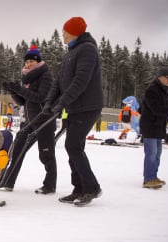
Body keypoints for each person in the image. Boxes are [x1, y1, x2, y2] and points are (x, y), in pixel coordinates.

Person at [42, 16, 103, 206]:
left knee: (73, 145)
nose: (63, 35)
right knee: (74, 147)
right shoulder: (71, 52)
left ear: (74, 32)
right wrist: (49, 103)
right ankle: (79, 189)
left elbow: (80, 82)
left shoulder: (87, 50)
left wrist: (62, 102)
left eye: (65, 32)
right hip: (75, 107)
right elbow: (59, 82)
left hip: (88, 106)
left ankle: (92, 188)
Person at [2, 45, 57, 194]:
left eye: (32, 61)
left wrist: (19, 89)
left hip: (43, 120)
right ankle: (8, 181)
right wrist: (13, 91)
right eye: (26, 62)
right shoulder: (27, 78)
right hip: (29, 121)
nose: (28, 64)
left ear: (38, 61)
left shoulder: (45, 76)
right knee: (17, 149)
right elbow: (22, 101)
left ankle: (50, 185)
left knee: (46, 155)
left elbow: (41, 98)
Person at [139, 67, 168, 189]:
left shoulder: (166, 91)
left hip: (159, 127)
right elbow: (157, 110)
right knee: (151, 153)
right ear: (160, 77)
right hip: (149, 126)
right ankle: (148, 179)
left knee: (157, 154)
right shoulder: (151, 90)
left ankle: (153, 176)